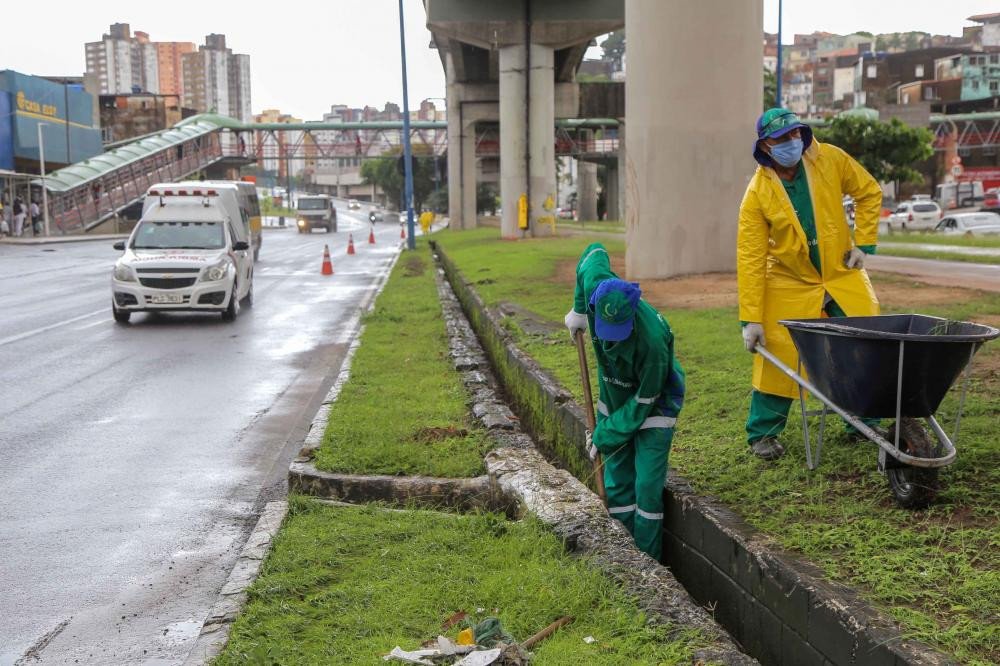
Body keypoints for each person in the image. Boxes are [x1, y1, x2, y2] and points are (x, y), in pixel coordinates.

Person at [737, 108, 882, 460]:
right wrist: (751, 318)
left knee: (865, 342)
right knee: (779, 353)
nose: (792, 142)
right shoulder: (757, 194)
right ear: (765, 146)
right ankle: (763, 433)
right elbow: (751, 258)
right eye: (781, 138)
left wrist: (863, 243)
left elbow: (868, 191)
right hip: (790, 280)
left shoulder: (830, 159)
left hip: (841, 272)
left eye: (795, 133)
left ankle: (865, 422)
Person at [564, 242, 685, 560]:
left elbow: (643, 403)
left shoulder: (653, 344)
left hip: (655, 402)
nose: (609, 341)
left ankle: (646, 563)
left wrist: (603, 434)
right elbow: (593, 253)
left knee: (647, 485)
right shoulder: (596, 286)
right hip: (614, 394)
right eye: (606, 331)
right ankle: (620, 552)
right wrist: (579, 309)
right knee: (617, 480)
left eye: (618, 332)